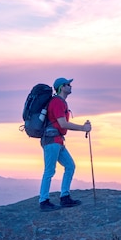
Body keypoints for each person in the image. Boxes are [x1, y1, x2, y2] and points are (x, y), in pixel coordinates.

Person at [38, 77, 91, 211]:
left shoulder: (60, 102)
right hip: (52, 140)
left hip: (57, 140)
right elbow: (62, 123)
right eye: (68, 84)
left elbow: (61, 124)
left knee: (70, 166)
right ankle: (43, 201)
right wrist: (82, 128)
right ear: (61, 87)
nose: (70, 86)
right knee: (49, 171)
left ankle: (65, 197)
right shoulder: (57, 102)